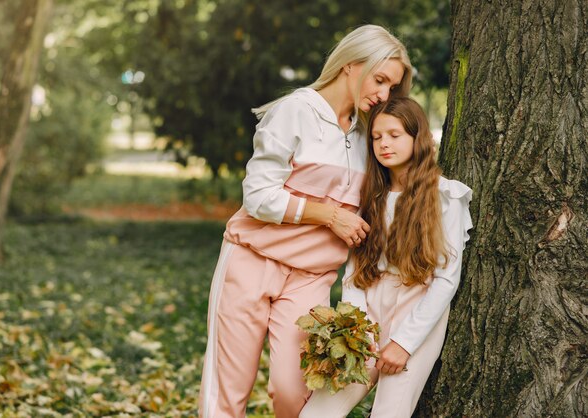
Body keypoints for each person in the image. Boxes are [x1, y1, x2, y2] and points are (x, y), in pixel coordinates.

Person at [198, 25, 412, 418]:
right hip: (250, 259)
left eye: (391, 88)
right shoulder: (296, 110)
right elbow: (258, 196)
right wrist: (329, 216)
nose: (384, 95)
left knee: (294, 393)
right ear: (350, 65)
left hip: (311, 277)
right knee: (227, 392)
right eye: (379, 80)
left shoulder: (371, 133)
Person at [299, 97, 473, 417]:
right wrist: (360, 328)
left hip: (417, 307)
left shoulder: (445, 196)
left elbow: (447, 278)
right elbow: (355, 270)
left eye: (394, 135)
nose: (384, 144)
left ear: (416, 137)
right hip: (369, 308)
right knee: (317, 413)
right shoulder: (370, 196)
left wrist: (404, 343)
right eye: (377, 137)